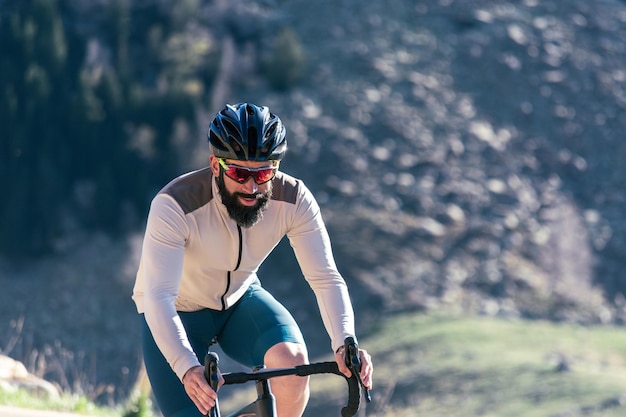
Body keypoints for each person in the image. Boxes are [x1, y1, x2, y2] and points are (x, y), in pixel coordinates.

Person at [132, 102, 373, 417]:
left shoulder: (294, 199)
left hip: (240, 301)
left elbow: (325, 277)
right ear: (215, 165)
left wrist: (345, 343)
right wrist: (187, 367)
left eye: (263, 173)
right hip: (177, 311)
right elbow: (159, 296)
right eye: (239, 172)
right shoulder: (175, 205)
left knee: (295, 368)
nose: (252, 186)